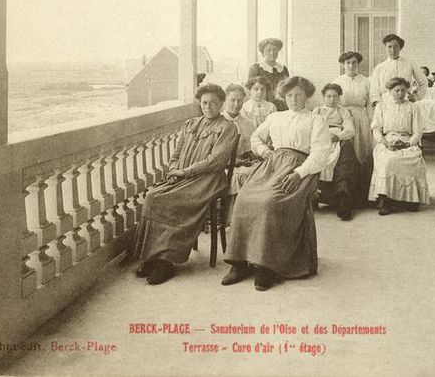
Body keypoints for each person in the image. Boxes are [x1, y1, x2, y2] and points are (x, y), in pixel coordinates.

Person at [222, 76, 330, 291]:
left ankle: (268, 266)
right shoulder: (276, 117)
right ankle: (239, 262)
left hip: (299, 168)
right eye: (289, 95)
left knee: (271, 204)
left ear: (307, 96)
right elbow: (256, 138)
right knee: (244, 198)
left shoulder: (316, 120)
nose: (293, 99)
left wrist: (298, 174)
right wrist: (267, 153)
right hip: (272, 165)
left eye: (298, 95)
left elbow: (320, 154)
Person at [130, 84, 239, 285]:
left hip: (208, 179)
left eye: (214, 103)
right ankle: (152, 257)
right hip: (181, 176)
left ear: (221, 104)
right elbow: (177, 154)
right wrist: (173, 170)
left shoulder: (227, 128)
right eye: (204, 103)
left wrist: (185, 172)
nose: (208, 107)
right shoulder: (190, 125)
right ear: (199, 103)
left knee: (173, 200)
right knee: (153, 197)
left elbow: (216, 161)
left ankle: (167, 262)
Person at [369, 77, 430, 215]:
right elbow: (376, 129)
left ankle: (410, 199)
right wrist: (385, 143)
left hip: (407, 140)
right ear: (390, 91)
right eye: (397, 90)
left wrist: (408, 143)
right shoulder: (382, 106)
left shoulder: (412, 107)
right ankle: (386, 199)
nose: (401, 93)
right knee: (388, 160)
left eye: (403, 90)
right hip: (388, 139)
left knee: (414, 158)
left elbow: (418, 131)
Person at [313, 83, 358, 221]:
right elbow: (310, 129)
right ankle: (314, 197)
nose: (332, 99)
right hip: (321, 139)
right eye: (329, 96)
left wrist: (338, 136)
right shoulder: (317, 111)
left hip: (339, 138)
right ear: (323, 97)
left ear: (339, 97)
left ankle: (343, 200)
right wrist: (323, 137)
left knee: (347, 154)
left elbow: (350, 129)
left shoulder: (343, 111)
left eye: (335, 96)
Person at [333, 52, 373, 205]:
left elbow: (369, 104)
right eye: (348, 63)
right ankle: (346, 191)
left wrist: (370, 122)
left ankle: (363, 194)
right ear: (343, 64)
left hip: (361, 118)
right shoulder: (338, 81)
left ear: (358, 64)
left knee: (363, 152)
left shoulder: (365, 81)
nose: (351, 65)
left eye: (354, 63)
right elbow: (334, 103)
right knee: (347, 152)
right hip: (344, 119)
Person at [369, 34, 428, 106]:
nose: (393, 50)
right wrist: (378, 103)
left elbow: (423, 82)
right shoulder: (380, 67)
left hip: (405, 101)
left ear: (400, 48)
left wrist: (416, 96)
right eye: (389, 47)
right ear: (385, 48)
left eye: (396, 46)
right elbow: (374, 89)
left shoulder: (410, 64)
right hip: (386, 103)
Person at [222, 83, 260, 195]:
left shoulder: (248, 123)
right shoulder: (219, 122)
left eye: (239, 100)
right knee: (239, 177)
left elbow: (252, 149)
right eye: (232, 100)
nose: (236, 104)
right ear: (224, 100)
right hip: (224, 166)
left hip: (246, 163)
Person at [247, 37, 290, 110]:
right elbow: (250, 91)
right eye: (268, 50)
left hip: (282, 106)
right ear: (263, 52)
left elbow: (288, 90)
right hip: (262, 106)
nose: (272, 53)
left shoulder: (283, 69)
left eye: (275, 50)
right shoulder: (255, 68)